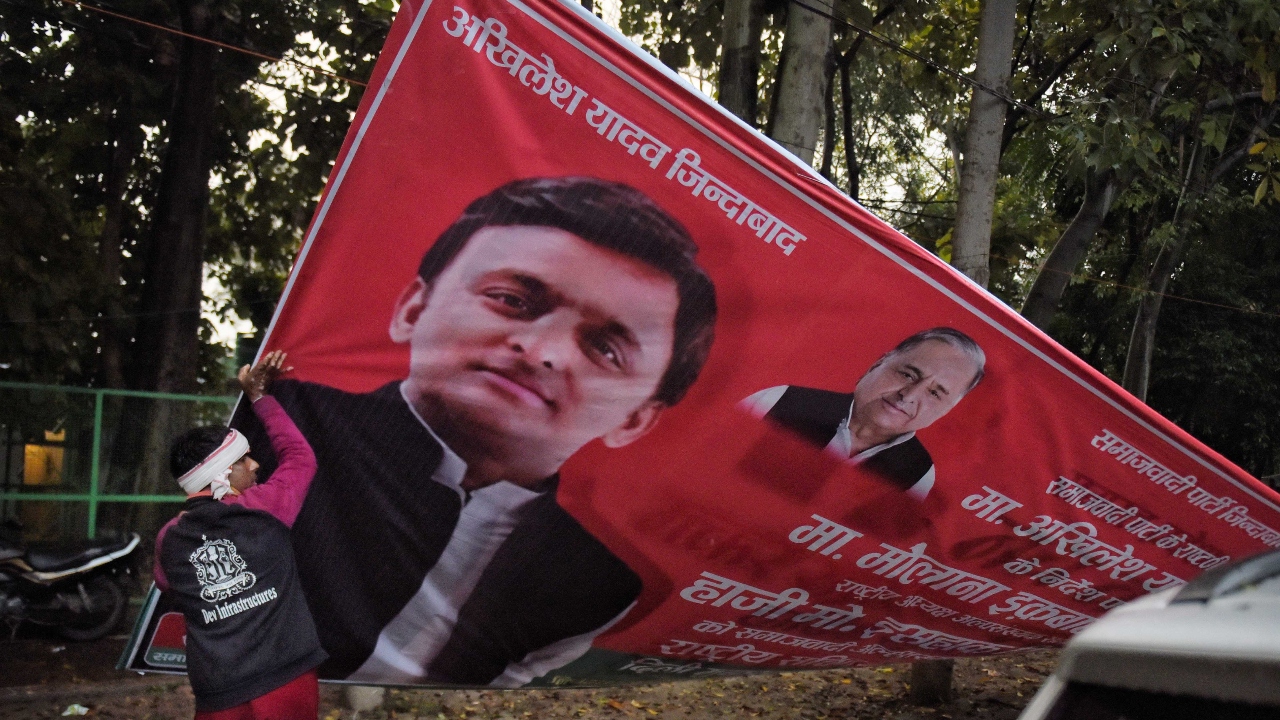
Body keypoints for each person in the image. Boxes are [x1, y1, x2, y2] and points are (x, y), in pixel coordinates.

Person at [234, 176, 718, 686]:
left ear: (635, 419)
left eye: (605, 349)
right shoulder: (279, 436)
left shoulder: (601, 587)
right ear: (412, 310)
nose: (541, 350)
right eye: (510, 299)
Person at [154, 351, 326, 719]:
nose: (255, 464)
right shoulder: (266, 508)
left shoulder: (168, 539)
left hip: (218, 693)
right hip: (286, 682)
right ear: (222, 474)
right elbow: (299, 457)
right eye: (244, 459)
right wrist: (259, 397)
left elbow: (170, 588)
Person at [739, 327, 985, 500]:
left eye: (935, 393)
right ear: (879, 363)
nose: (909, 395)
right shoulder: (779, 401)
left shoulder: (918, 474)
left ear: (947, 410)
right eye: (908, 375)